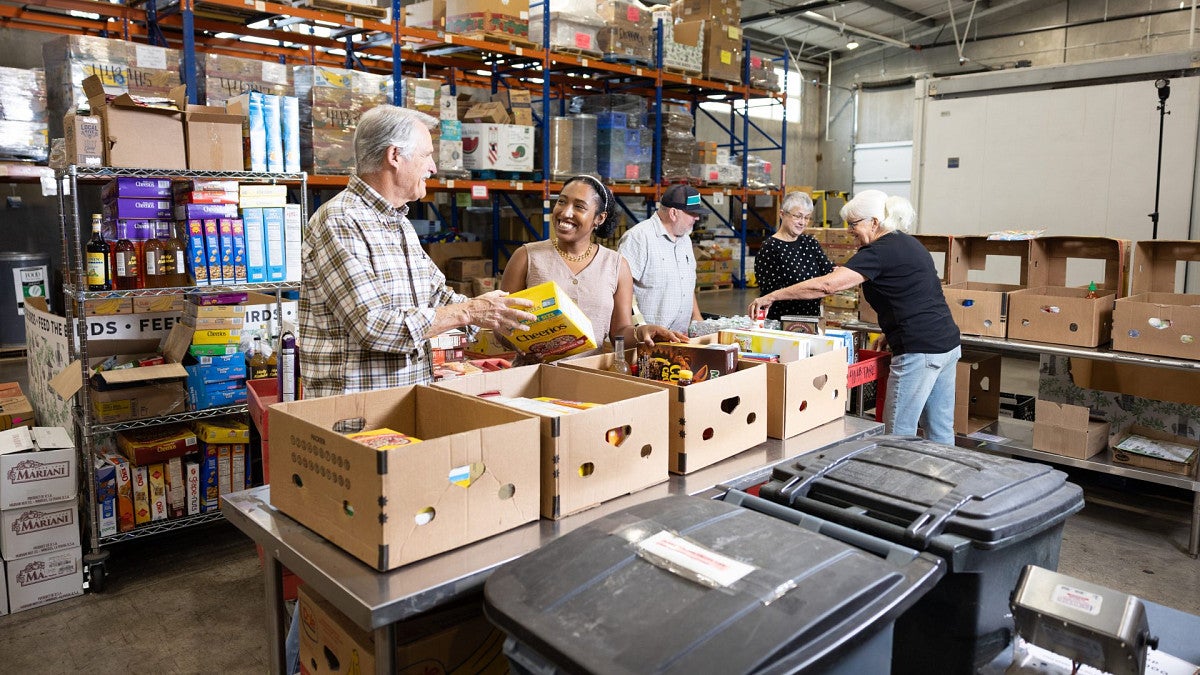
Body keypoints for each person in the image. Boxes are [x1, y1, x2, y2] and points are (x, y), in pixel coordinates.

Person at [299, 105, 536, 399]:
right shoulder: (340, 221)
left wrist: (507, 318)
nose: (433, 167)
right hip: (356, 414)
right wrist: (471, 311)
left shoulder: (400, 224)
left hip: (404, 400)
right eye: (426, 155)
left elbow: (439, 296)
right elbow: (374, 326)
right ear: (394, 156)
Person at [747, 190, 961, 444]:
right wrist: (891, 331)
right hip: (947, 345)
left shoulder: (878, 252)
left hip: (919, 350)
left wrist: (773, 296)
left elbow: (827, 286)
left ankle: (894, 482)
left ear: (874, 222)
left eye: (853, 224)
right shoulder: (907, 243)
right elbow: (918, 294)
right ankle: (944, 482)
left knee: (898, 435)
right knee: (940, 431)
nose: (850, 231)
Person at [499, 174, 688, 355]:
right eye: (562, 201)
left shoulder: (616, 265)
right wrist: (518, 341)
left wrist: (643, 331)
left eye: (579, 206)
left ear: (600, 218)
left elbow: (619, 333)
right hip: (531, 375)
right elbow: (500, 326)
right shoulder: (526, 257)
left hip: (589, 374)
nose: (565, 212)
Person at [617, 184, 704, 333]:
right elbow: (619, 289)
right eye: (692, 213)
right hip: (648, 339)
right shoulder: (639, 238)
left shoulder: (685, 240)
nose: (697, 218)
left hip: (680, 337)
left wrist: (696, 317)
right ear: (673, 213)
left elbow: (686, 284)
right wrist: (640, 328)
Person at [752, 191, 833, 321]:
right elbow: (771, 292)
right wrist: (812, 289)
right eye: (798, 216)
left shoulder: (810, 243)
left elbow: (829, 272)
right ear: (782, 214)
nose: (802, 222)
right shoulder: (770, 248)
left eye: (807, 218)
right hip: (782, 322)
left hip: (811, 319)